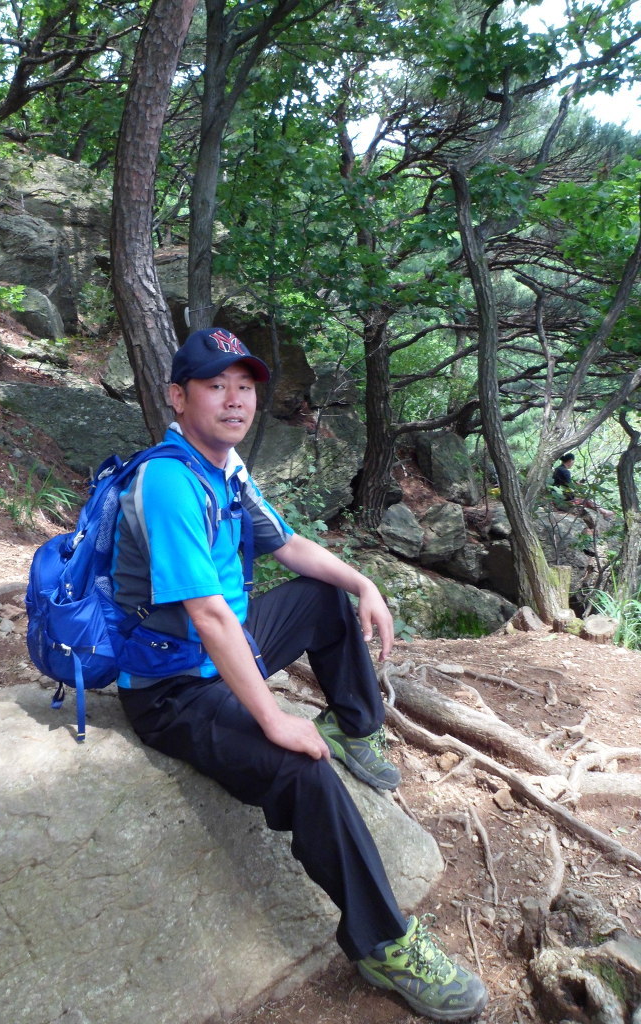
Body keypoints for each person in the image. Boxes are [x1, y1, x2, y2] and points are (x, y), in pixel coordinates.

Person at [112, 327, 488, 1022]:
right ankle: (383, 942)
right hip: (174, 688)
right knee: (301, 769)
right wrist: (273, 718)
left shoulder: (224, 472)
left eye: (245, 386)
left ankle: (353, 726)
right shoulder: (167, 480)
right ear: (178, 397)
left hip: (224, 650)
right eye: (216, 386)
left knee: (325, 596)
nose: (235, 400)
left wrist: (364, 583)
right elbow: (207, 615)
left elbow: (287, 545)